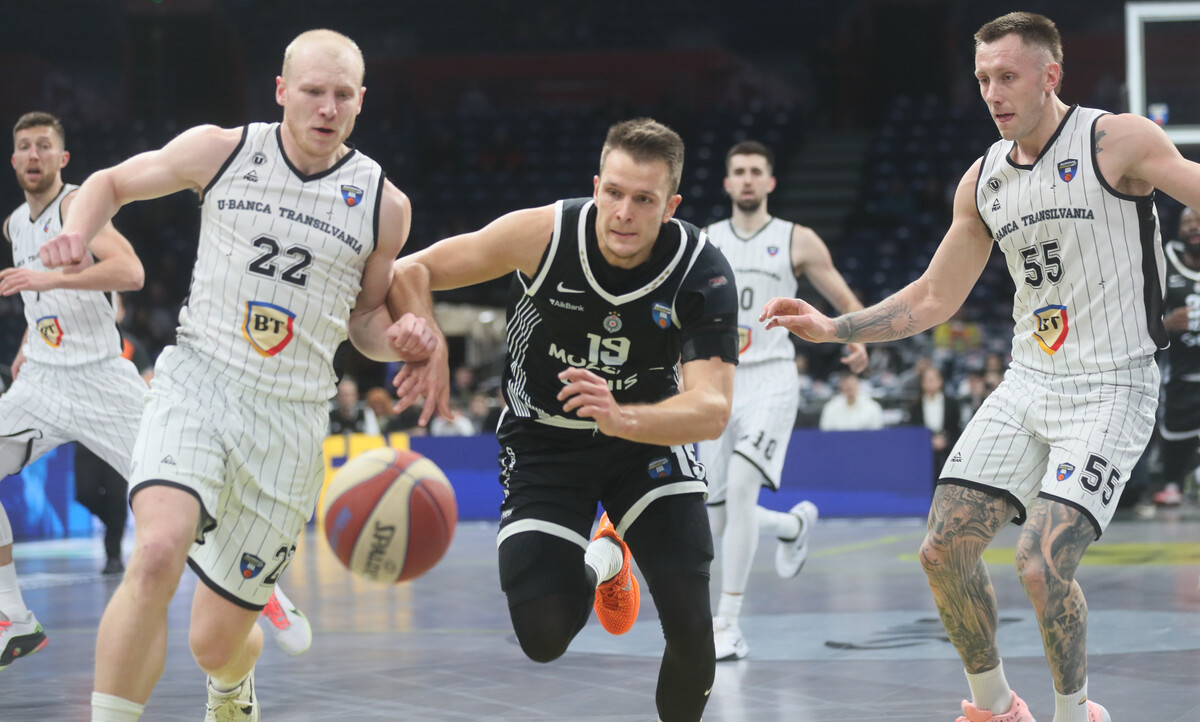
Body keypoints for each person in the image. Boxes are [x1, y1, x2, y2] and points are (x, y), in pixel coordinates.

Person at [761, 12, 1200, 722]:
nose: (992, 93)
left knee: (1039, 561)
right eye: (982, 80)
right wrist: (834, 325)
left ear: (1049, 76)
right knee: (941, 549)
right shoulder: (984, 179)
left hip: (1114, 385)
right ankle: (995, 707)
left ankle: (1074, 711)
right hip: (1028, 382)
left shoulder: (1114, 140)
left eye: (1007, 77)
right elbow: (935, 296)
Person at [39, 29, 440, 721]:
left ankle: (230, 685)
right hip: (199, 380)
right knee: (158, 550)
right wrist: (77, 229)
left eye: (343, 95)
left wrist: (402, 337)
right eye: (313, 91)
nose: (327, 107)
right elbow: (109, 183)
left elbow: (365, 323)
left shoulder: (383, 205)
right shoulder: (222, 151)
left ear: (361, 103)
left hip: (289, 422)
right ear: (282, 91)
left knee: (214, 643)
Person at [391, 117, 738, 722]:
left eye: (644, 200)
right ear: (597, 184)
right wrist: (429, 344)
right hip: (543, 441)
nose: (624, 212)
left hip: (643, 438)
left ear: (671, 205)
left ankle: (617, 546)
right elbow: (412, 271)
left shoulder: (701, 269)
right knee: (544, 635)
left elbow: (711, 411)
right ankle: (606, 559)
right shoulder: (544, 235)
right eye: (614, 192)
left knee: (690, 626)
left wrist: (621, 417)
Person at [697, 140, 867, 661]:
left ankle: (727, 623)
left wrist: (855, 334)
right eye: (738, 172)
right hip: (718, 379)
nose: (747, 180)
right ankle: (792, 526)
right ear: (727, 183)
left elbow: (841, 295)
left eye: (756, 172)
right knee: (719, 517)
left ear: (770, 182)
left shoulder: (797, 239)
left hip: (772, 376)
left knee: (744, 489)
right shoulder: (704, 241)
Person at [0, 110, 146, 668]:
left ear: (62, 159)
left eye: (43, 146)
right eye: (23, 147)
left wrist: (49, 277)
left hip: (102, 380)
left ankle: (262, 590)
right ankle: (15, 621)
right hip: (42, 379)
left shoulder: (77, 207)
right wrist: (26, 342)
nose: (33, 155)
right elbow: (37, 302)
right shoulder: (14, 224)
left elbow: (130, 272)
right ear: (13, 160)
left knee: (179, 495)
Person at [1152, 205, 1200, 507]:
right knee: (1173, 433)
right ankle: (1172, 483)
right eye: (1187, 222)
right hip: (1179, 372)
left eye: (1199, 220)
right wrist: (1166, 325)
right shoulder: (1164, 263)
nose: (1193, 226)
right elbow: (1139, 319)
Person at [908, 365, 962, 483]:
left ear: (940, 381)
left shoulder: (952, 404)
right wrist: (929, 441)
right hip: (923, 453)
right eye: (927, 380)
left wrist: (945, 442)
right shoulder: (914, 407)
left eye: (933, 379)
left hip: (948, 451)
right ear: (922, 383)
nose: (930, 383)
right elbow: (913, 431)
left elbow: (956, 429)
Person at [817, 372, 884, 430]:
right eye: (847, 386)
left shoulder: (873, 407)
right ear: (841, 387)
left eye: (853, 385)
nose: (850, 388)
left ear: (858, 385)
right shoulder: (830, 407)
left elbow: (877, 433)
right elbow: (825, 432)